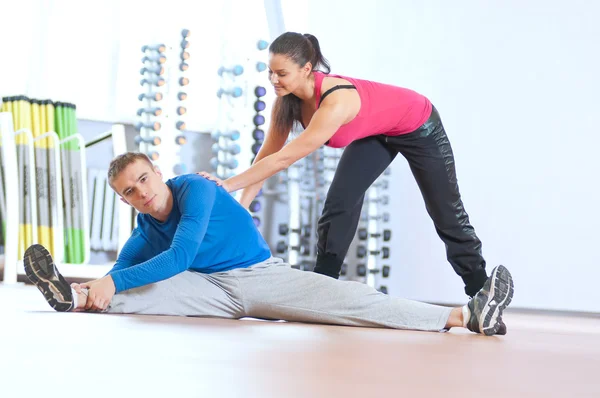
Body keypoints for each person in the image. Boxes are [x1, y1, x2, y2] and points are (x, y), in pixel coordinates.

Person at [23, 152, 513, 336]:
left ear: (157, 171)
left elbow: (182, 256)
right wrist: (99, 285)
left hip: (258, 276)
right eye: (129, 192)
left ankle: (467, 315)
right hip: (210, 290)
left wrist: (112, 279)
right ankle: (72, 298)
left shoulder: (195, 188)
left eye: (144, 180)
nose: (141, 193)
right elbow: (127, 265)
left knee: (350, 300)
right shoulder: (144, 226)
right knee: (131, 294)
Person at [200, 31, 491, 300]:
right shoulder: (286, 103)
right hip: (377, 133)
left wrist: (225, 185)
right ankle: (323, 289)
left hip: (418, 124)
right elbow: (266, 156)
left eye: (282, 73)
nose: (274, 80)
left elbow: (284, 158)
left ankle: (481, 292)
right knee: (339, 204)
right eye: (270, 72)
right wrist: (242, 204)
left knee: (445, 211)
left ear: (306, 69)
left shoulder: (335, 101)